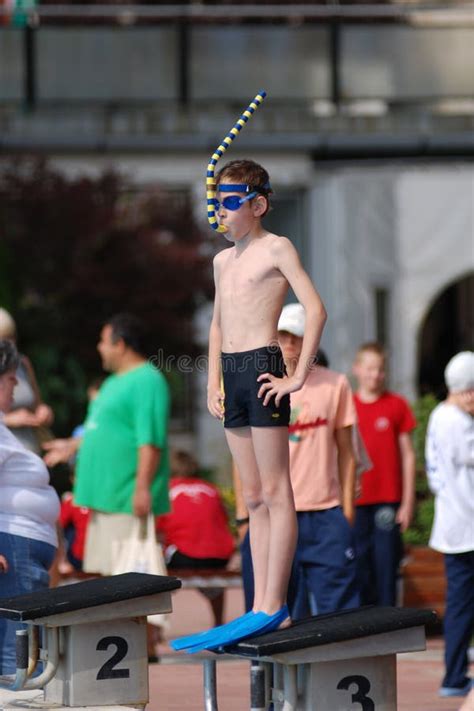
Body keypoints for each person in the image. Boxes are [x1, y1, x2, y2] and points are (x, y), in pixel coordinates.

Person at [171, 159, 326, 652]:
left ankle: (274, 604)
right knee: (251, 497)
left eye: (230, 202)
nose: (221, 211)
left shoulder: (276, 247)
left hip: (262, 363)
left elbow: (316, 309)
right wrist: (212, 381)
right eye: (216, 202)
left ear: (257, 204)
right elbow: (217, 326)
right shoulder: (222, 261)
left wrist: (297, 377)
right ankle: (258, 603)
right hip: (233, 374)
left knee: (278, 492)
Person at [234, 303, 360, 619]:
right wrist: (242, 516)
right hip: (271, 515)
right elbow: (241, 454)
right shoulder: (254, 381)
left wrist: (346, 509)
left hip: (324, 515)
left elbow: (347, 452)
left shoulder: (335, 384)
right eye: (284, 335)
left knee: (340, 616)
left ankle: (336, 671)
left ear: (311, 341)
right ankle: (268, 672)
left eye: (298, 336)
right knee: (267, 616)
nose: (290, 343)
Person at [43, 313, 171, 575]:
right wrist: (71, 446)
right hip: (102, 500)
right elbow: (102, 431)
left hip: (125, 498)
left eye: (103, 341)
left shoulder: (147, 379)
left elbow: (150, 439)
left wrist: (142, 488)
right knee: (102, 582)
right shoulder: (113, 382)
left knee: (128, 584)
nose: (99, 348)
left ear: (120, 344)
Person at [0, 339, 60, 675]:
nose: (16, 384)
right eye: (11, 378)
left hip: (20, 548)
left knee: (21, 656)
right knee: (18, 659)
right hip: (13, 547)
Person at [352, 342, 416, 607]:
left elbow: (408, 455)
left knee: (386, 567)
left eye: (379, 369)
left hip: (387, 501)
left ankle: (388, 628)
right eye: (369, 368)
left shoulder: (397, 405)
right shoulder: (347, 406)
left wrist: (408, 502)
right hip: (355, 501)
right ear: (357, 370)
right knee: (359, 567)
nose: (374, 375)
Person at [425, 351, 474, 699]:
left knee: (460, 603)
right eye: (469, 391)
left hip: (456, 528)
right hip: (466, 530)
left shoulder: (441, 416)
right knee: (460, 605)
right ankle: (454, 674)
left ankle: (455, 671)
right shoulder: (456, 422)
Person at [157, 449, 235, 626]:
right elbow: (221, 521)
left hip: (185, 554)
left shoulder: (167, 490)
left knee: (154, 570)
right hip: (219, 555)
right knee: (214, 581)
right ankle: (218, 623)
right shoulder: (211, 489)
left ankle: (154, 633)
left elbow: (158, 529)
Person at [0, 307, 54, 453]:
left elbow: (37, 404)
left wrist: (43, 412)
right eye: (4, 339)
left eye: (12, 337)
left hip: (30, 450)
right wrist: (9, 420)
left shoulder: (23, 363)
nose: (11, 344)